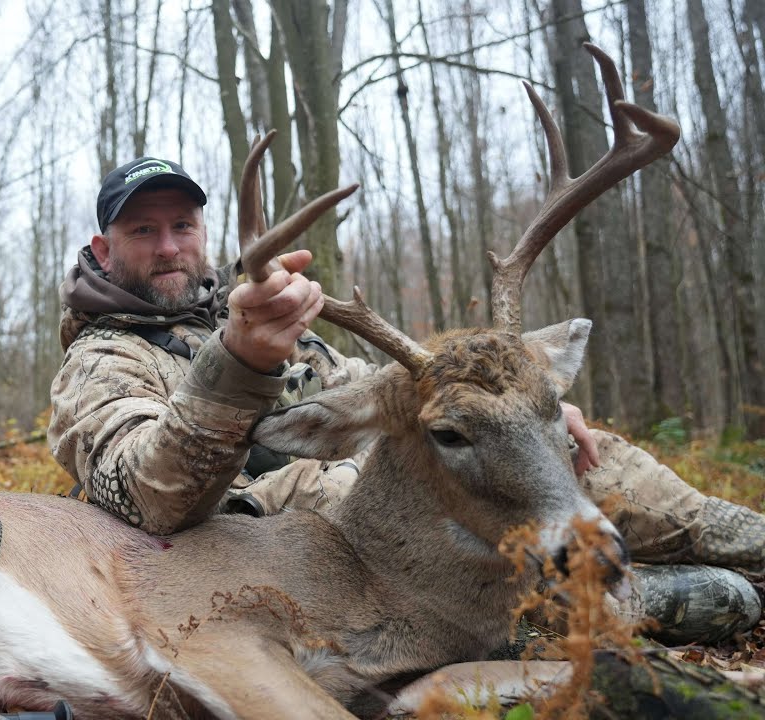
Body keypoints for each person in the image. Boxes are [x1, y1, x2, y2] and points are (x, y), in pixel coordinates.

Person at [47, 156, 764, 642]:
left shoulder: (286, 327)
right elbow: (150, 498)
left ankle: (742, 541)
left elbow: (384, 393)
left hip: (421, 515)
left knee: (568, 447)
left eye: (182, 227)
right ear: (104, 249)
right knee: (717, 601)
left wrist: (526, 405)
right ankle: (645, 596)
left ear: (202, 235)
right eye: (143, 230)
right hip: (321, 571)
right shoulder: (102, 362)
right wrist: (238, 359)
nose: (169, 246)